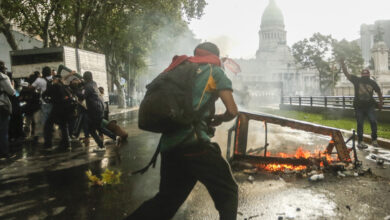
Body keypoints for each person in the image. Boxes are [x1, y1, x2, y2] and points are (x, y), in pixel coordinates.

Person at [127, 42, 239, 220]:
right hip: (194, 144)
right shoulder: (214, 71)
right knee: (229, 192)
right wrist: (220, 118)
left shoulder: (179, 70)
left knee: (166, 202)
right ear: (215, 56)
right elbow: (232, 111)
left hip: (170, 145)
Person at [341, 59, 383, 149]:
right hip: (359, 107)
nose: (365, 76)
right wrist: (342, 64)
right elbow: (347, 74)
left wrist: (380, 103)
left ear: (368, 75)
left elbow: (379, 92)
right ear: (362, 75)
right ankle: (360, 141)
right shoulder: (357, 80)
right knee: (360, 124)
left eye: (366, 74)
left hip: (369, 106)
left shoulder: (372, 82)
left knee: (373, 122)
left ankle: (374, 140)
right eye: (364, 75)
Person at [43, 75, 71, 149]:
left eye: (53, 79)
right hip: (66, 109)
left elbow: (44, 94)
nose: (52, 80)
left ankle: (48, 144)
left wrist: (48, 100)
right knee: (64, 126)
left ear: (56, 79)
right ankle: (67, 144)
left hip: (57, 108)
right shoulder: (64, 86)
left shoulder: (54, 86)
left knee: (48, 125)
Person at [0, 60, 16, 158]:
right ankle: (5, 152)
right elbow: (12, 92)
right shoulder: (3, 77)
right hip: (1, 105)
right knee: (3, 130)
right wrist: (13, 86)